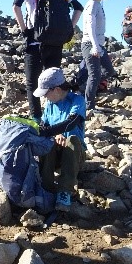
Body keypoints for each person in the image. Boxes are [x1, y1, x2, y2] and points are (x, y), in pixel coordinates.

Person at [13, 0, 83, 121]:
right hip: (56, 42)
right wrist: (68, 29)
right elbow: (78, 7)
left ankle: (37, 119)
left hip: (35, 41)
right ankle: (55, 117)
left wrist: (24, 30)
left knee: (33, 83)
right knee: (53, 82)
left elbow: (16, 6)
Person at [34, 67, 86, 212]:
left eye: (46, 93)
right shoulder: (50, 105)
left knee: (72, 140)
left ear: (56, 89)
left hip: (75, 155)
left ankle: (65, 191)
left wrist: (53, 132)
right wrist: (53, 135)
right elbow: (43, 126)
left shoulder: (77, 100)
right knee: (47, 141)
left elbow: (72, 122)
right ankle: (47, 187)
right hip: (55, 156)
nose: (45, 97)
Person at [81, 0, 117, 113]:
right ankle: (88, 105)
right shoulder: (93, 5)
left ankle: (85, 87)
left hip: (97, 44)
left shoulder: (97, 4)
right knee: (94, 75)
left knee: (109, 71)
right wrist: (95, 46)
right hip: (90, 44)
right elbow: (90, 26)